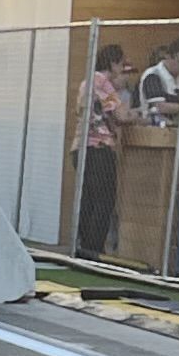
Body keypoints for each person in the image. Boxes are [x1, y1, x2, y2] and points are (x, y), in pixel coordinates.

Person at [76, 42, 133, 258]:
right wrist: (135, 115)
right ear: (113, 63)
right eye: (121, 64)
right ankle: (94, 248)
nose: (122, 70)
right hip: (100, 146)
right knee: (105, 199)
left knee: (88, 198)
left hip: (81, 145)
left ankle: (82, 244)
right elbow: (120, 116)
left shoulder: (86, 82)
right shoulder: (104, 84)